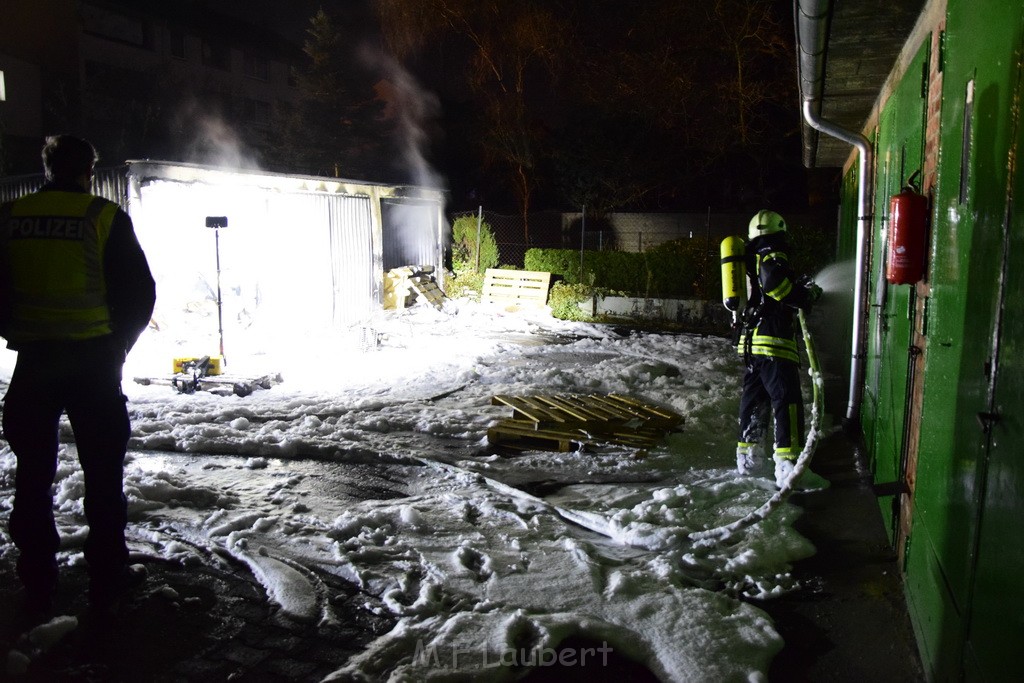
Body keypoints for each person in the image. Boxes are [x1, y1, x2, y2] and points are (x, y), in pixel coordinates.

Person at [0, 134, 156, 610]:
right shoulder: (103, 217)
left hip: (34, 362)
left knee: (32, 474)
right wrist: (117, 349)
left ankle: (36, 574)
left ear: (46, 167)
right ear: (88, 170)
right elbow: (139, 295)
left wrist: (16, 331)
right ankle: (107, 572)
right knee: (104, 474)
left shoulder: (10, 218)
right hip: (92, 366)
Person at [734, 209, 823, 488]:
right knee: (787, 401)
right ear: (780, 231)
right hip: (774, 340)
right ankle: (790, 469)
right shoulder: (773, 250)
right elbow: (774, 283)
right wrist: (803, 296)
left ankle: (748, 460)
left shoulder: (749, 257)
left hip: (752, 342)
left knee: (755, 401)